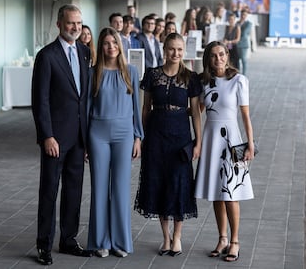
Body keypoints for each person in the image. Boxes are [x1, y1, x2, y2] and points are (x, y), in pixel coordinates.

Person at [31, 4, 92, 266]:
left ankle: (68, 240)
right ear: (59, 24)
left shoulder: (85, 52)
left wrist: (88, 138)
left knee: (74, 192)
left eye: (78, 23)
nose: (75, 27)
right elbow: (40, 100)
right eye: (70, 23)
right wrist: (47, 136)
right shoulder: (47, 56)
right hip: (55, 138)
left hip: (79, 138)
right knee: (49, 191)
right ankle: (44, 245)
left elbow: (85, 98)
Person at [134, 33, 202, 257]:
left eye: (180, 50)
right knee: (158, 183)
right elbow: (145, 109)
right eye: (172, 49)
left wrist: (198, 142)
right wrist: (141, 136)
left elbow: (196, 115)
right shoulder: (153, 75)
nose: (176, 53)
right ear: (164, 50)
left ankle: (178, 237)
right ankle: (165, 237)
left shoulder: (191, 77)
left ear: (184, 51)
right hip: (156, 136)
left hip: (181, 138)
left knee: (180, 184)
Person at [194, 41, 255, 262]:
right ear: (208, 59)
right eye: (213, 55)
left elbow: (246, 116)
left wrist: (250, 144)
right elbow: (197, 112)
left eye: (221, 54)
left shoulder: (239, 80)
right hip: (211, 140)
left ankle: (235, 241)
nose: (218, 59)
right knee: (216, 195)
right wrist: (197, 140)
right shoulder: (204, 83)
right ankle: (222, 238)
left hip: (233, 141)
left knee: (232, 193)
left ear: (227, 56)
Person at [87, 27, 143, 258]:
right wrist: (84, 142)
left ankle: (120, 241)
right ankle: (101, 241)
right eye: (106, 43)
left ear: (120, 46)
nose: (111, 47)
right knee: (99, 189)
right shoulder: (93, 73)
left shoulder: (131, 71)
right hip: (97, 134)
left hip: (124, 134)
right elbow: (87, 109)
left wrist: (138, 137)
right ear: (100, 47)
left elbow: (137, 108)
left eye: (114, 43)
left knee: (120, 189)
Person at [237, 9, 252, 75]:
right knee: (236, 60)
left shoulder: (248, 23)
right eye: (242, 14)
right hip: (236, 44)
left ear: (246, 16)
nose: (243, 16)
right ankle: (237, 74)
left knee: (244, 60)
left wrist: (238, 30)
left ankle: (244, 75)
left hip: (243, 45)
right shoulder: (237, 23)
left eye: (245, 15)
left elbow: (244, 33)